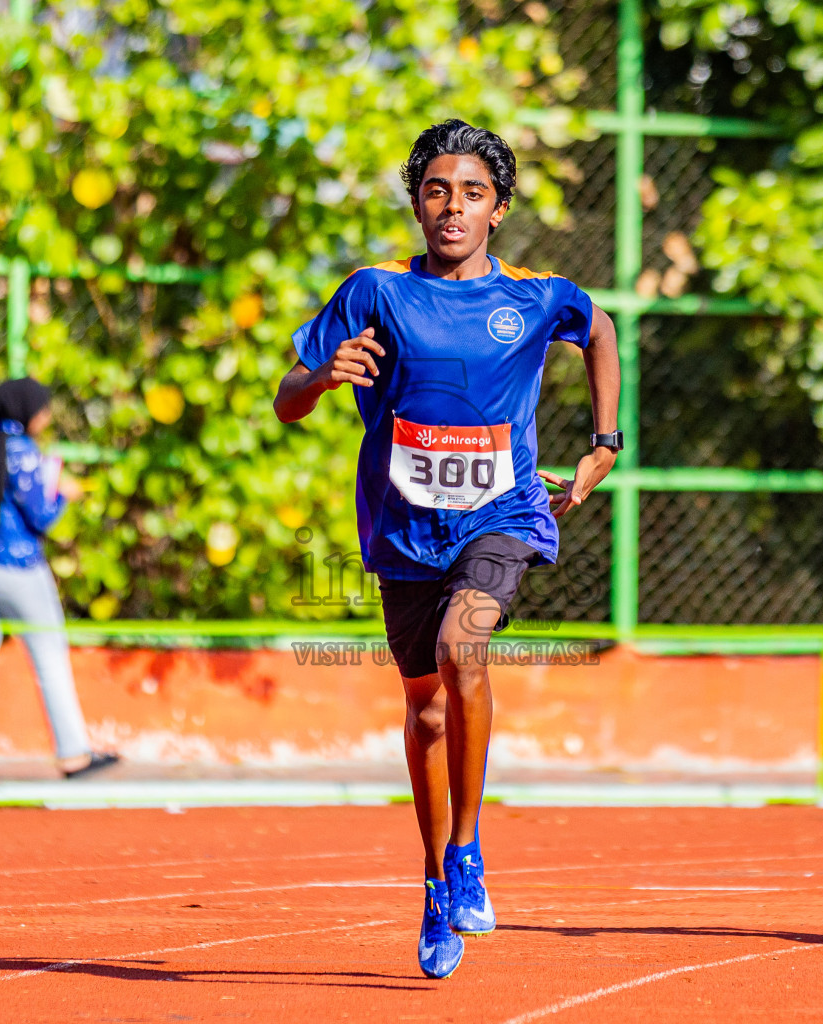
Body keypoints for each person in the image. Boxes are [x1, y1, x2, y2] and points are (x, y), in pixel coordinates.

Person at [273, 120, 620, 979]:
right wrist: (322, 377)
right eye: (436, 190)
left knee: (466, 645)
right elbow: (285, 398)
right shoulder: (375, 292)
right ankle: (435, 883)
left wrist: (606, 442)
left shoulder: (540, 297)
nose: (452, 207)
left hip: (501, 515)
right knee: (426, 709)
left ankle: (467, 852)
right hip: (402, 531)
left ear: (498, 208)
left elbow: (602, 330)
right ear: (417, 202)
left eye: (471, 193)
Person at [0, 378, 119, 781]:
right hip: (13, 566)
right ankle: (74, 754)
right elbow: (41, 516)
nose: (47, 415)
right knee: (49, 652)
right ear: (28, 411)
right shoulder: (23, 452)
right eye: (44, 408)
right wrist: (64, 494)